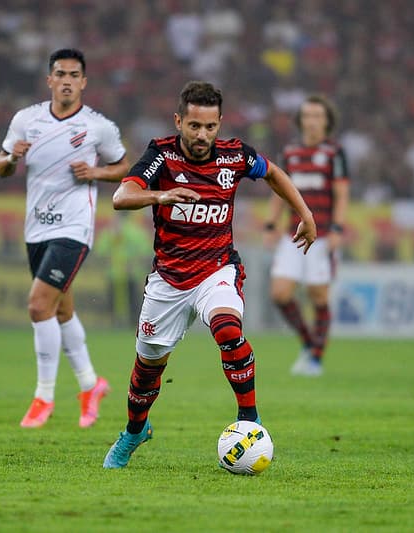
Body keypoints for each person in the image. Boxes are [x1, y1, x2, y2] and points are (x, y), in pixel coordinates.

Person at [102, 81, 317, 469]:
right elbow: (121, 197)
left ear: (220, 123)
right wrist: (160, 196)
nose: (202, 135)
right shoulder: (161, 155)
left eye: (210, 127)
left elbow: (274, 174)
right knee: (147, 368)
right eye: (195, 126)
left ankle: (250, 420)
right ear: (179, 121)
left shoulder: (235, 156)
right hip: (168, 280)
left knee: (228, 330)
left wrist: (305, 214)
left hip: (217, 269)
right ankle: (135, 431)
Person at [0, 48, 129, 428]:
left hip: (74, 228)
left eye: (74, 74)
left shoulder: (98, 126)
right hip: (36, 228)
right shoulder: (27, 120)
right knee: (61, 310)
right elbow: (1, 165)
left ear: (84, 81)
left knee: (38, 305)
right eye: (60, 73)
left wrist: (96, 173)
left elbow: (123, 166)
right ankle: (91, 384)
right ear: (49, 79)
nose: (67, 80)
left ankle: (43, 396)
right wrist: (10, 160)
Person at [264, 94, 349, 377]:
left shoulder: (334, 153)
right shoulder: (289, 153)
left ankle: (315, 359)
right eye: (307, 115)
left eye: (317, 115)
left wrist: (338, 228)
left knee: (317, 295)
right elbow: (280, 190)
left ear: (327, 121)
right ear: (300, 120)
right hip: (293, 234)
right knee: (280, 293)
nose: (311, 121)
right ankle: (309, 344)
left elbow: (341, 193)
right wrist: (270, 224)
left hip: (323, 235)